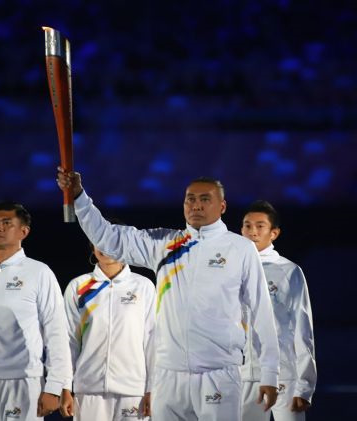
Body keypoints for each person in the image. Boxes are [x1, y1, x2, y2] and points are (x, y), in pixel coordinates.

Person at [56, 168, 280, 421]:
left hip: (218, 374)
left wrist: (270, 373)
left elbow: (261, 312)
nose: (196, 205)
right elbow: (109, 238)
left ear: (222, 206)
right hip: (168, 376)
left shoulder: (240, 249)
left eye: (205, 199)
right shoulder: (165, 245)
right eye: (190, 199)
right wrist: (79, 197)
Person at [0, 200, 72, 420]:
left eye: (6, 223)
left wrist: (55, 385)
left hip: (23, 382)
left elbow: (56, 332)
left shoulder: (39, 272)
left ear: (24, 231)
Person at [59, 234, 157, 420]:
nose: (106, 247)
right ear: (92, 247)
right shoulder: (78, 286)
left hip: (133, 390)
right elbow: (68, 340)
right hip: (88, 390)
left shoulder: (143, 286)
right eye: (100, 241)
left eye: (113, 242)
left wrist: (153, 388)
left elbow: (153, 341)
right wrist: (64, 386)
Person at [240, 200, 317, 421]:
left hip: (283, 375)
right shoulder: (230, 270)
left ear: (274, 233)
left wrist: (305, 385)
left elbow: (303, 329)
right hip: (242, 376)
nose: (252, 231)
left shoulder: (289, 271)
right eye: (247, 225)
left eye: (260, 226)